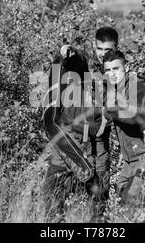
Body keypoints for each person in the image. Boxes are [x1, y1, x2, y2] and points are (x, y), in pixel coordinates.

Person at [42, 27, 119, 223]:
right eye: (99, 49)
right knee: (53, 191)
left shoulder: (116, 68)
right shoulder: (85, 61)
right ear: (94, 45)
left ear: (116, 47)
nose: (103, 54)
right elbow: (75, 57)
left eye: (108, 49)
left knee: (99, 196)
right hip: (71, 136)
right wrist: (69, 50)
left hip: (98, 140)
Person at [102, 50, 145, 205]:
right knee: (121, 202)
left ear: (126, 67)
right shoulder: (116, 90)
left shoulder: (138, 86)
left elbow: (132, 116)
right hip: (130, 159)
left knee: (131, 200)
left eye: (115, 69)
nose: (112, 74)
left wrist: (109, 111)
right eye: (107, 70)